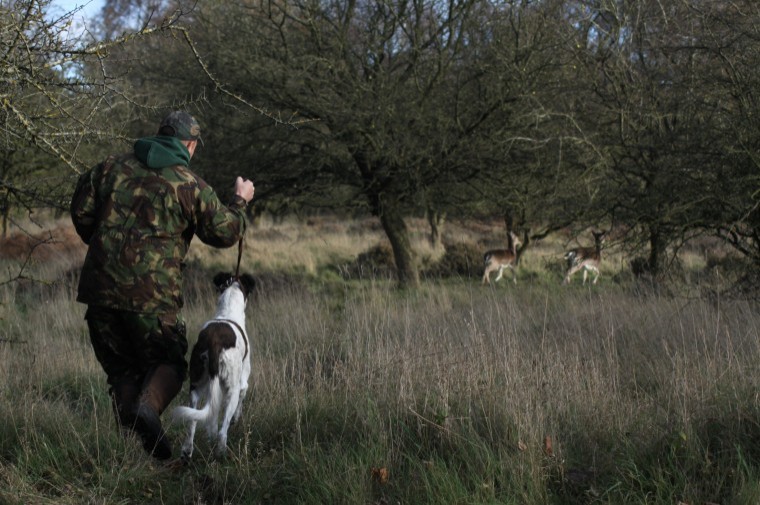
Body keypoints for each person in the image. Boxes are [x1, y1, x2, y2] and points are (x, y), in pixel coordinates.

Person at [70, 111, 254, 460]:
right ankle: (147, 411)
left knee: (122, 370)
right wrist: (240, 200)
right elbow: (226, 232)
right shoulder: (189, 184)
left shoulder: (108, 168)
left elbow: (80, 212)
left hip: (99, 290)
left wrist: (104, 249)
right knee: (169, 361)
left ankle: (150, 455)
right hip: (151, 297)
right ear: (189, 145)